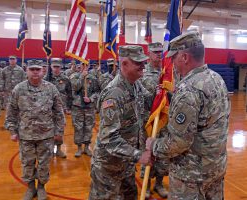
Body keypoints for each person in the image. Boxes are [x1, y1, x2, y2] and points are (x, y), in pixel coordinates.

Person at [145, 31, 230, 200]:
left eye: (174, 57)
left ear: (184, 57)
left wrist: (153, 145)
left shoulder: (188, 90)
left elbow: (179, 142)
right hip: (215, 169)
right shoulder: (217, 79)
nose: (171, 63)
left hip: (191, 176)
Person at [89, 45, 153, 199]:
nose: (143, 66)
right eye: (138, 63)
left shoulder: (135, 84)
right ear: (124, 64)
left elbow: (149, 101)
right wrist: (139, 155)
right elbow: (109, 138)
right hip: (108, 167)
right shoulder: (114, 94)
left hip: (125, 163)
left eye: (144, 62)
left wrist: (164, 92)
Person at [5, 60, 65, 200]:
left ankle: (41, 187)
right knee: (27, 163)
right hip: (26, 135)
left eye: (38, 69)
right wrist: (12, 131)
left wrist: (59, 131)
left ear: (43, 71)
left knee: (44, 164)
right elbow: (11, 112)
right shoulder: (19, 89)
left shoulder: (51, 88)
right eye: (32, 69)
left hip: (46, 135)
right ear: (27, 70)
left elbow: (58, 112)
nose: (35, 72)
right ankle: (31, 188)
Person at [140, 42, 169, 198]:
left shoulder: (168, 73)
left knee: (163, 155)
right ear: (148, 54)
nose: (159, 54)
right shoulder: (143, 74)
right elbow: (140, 97)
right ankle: (146, 186)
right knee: (149, 153)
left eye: (160, 52)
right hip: (150, 122)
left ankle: (159, 183)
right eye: (155, 52)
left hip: (165, 122)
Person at [70, 62, 100, 157]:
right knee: (78, 128)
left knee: (88, 127)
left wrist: (91, 99)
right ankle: (79, 148)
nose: (84, 67)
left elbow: (97, 92)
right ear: (80, 66)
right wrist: (82, 77)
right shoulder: (74, 76)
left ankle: (86, 147)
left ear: (89, 66)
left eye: (86, 65)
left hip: (89, 107)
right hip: (77, 107)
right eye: (83, 65)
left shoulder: (93, 78)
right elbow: (75, 87)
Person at [46, 58, 73, 158]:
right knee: (48, 130)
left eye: (58, 67)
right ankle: (50, 150)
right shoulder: (46, 79)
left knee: (60, 130)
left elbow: (70, 93)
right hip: (48, 109)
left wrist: (69, 107)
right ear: (51, 67)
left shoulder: (65, 79)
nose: (56, 69)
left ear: (61, 67)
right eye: (54, 67)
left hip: (61, 109)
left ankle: (59, 149)